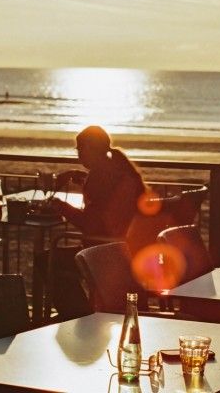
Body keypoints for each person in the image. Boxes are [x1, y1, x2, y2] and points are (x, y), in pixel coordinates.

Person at [40, 125, 146, 317]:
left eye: (80, 149)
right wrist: (77, 175)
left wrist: (61, 207)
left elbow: (90, 225)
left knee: (46, 260)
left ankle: (77, 315)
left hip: (101, 252)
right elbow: (107, 197)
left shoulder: (100, 177)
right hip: (124, 248)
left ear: (91, 149)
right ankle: (81, 312)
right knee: (53, 258)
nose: (78, 154)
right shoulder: (116, 169)